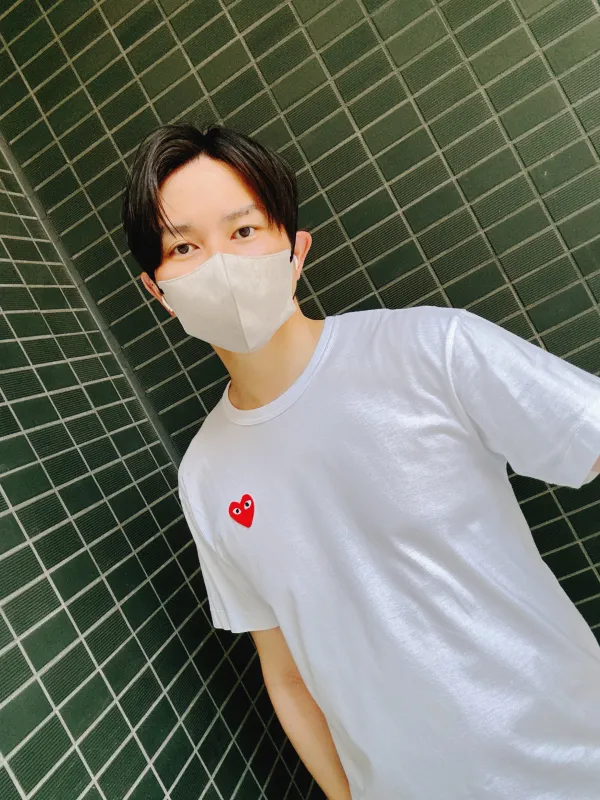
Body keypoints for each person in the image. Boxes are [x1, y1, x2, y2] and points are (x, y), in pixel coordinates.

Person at [122, 122, 600, 800]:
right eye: (184, 247)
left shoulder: (432, 348)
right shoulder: (204, 477)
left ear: (295, 250)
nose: (220, 264)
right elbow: (287, 677)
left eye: (244, 230)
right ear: (158, 291)